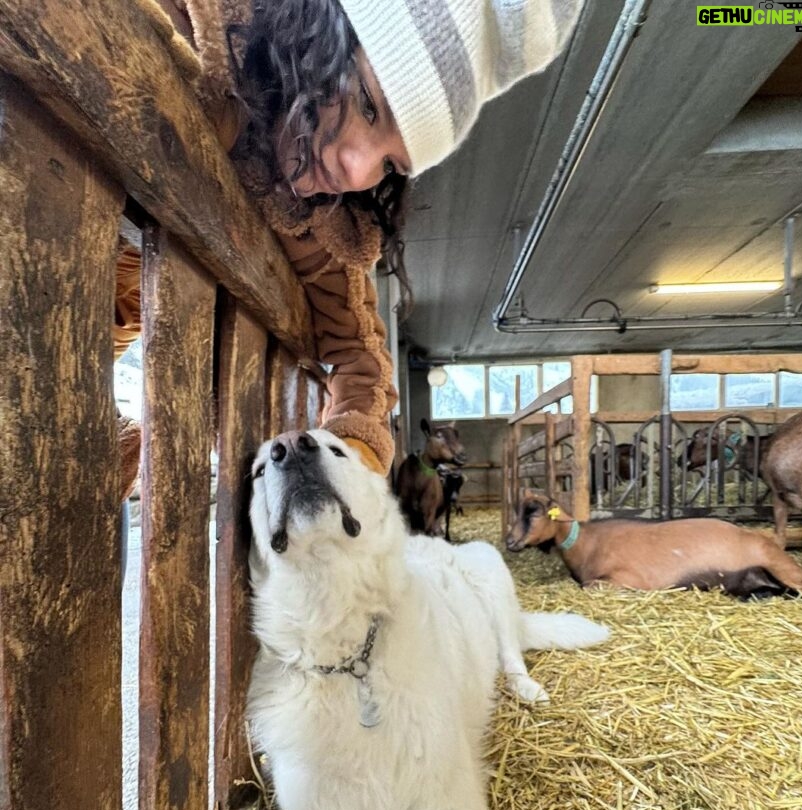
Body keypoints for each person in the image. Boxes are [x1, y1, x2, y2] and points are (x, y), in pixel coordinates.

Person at [116, 0, 583, 489]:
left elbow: (361, 361)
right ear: (317, 27)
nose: (358, 173)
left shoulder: (318, 226)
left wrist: (343, 470)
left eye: (389, 166)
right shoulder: (177, 26)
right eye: (366, 103)